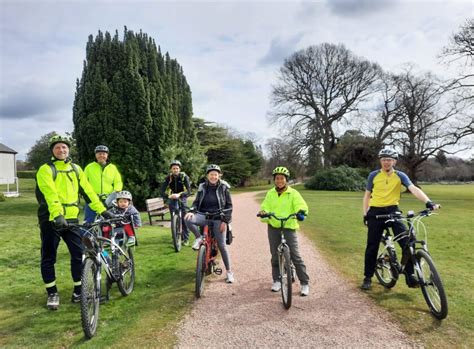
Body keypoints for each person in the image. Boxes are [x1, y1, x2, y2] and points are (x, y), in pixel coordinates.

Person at [35, 135, 114, 310]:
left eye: (64, 147)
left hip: (71, 219)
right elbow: (50, 194)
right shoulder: (45, 170)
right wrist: (57, 215)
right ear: (52, 151)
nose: (61, 150)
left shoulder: (76, 169)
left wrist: (102, 210)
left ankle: (78, 291)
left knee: (78, 254)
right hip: (51, 219)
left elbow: (88, 192)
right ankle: (52, 293)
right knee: (49, 256)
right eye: (57, 148)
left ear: (68, 149)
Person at [361, 148, 440, 290]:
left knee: (407, 243)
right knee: (372, 246)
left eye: (389, 159)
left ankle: (410, 276)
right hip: (375, 213)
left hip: (393, 210)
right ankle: (368, 277)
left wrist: (429, 202)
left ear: (394, 161)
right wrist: (365, 214)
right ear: (380, 161)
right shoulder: (373, 176)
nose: (386, 162)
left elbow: (413, 188)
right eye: (384, 159)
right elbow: (367, 195)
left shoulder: (400, 176)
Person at [258, 166, 310, 296]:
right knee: (275, 256)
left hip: (288, 225)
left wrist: (300, 212)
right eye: (277, 178)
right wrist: (264, 212)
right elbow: (265, 206)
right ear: (274, 180)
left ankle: (304, 283)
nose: (279, 180)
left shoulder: (293, 193)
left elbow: (300, 205)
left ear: (286, 180)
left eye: (282, 178)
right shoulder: (270, 193)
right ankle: (277, 280)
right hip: (274, 225)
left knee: (295, 256)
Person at [184, 164, 234, 283]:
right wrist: (191, 211)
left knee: (222, 245)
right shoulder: (202, 187)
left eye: (215, 174)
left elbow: (229, 206)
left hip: (218, 217)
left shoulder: (224, 187)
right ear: (207, 175)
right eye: (211, 174)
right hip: (203, 215)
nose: (213, 176)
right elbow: (196, 202)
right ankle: (199, 237)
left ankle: (229, 272)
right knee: (187, 219)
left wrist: (225, 221)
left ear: (219, 175)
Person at [83, 145, 123, 223]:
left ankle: (108, 235)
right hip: (92, 199)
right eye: (99, 153)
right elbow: (84, 182)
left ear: (107, 155)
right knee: (89, 221)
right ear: (95, 155)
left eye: (104, 154)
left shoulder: (112, 168)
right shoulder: (89, 167)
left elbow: (118, 182)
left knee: (109, 221)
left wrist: (116, 192)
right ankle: (87, 235)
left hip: (108, 199)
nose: (101, 155)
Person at [160, 160, 192, 245]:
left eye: (177, 168)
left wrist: (180, 195)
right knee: (173, 217)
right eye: (173, 168)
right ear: (171, 169)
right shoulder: (169, 177)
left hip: (182, 197)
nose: (175, 170)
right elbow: (162, 190)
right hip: (172, 197)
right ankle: (175, 237)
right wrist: (168, 196)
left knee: (184, 217)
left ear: (179, 169)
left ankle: (186, 238)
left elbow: (189, 191)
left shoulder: (184, 176)